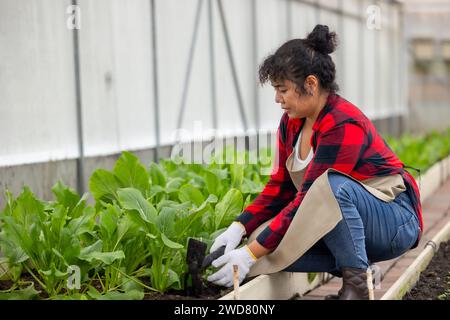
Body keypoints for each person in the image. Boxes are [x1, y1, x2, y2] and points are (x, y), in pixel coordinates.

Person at [206, 24, 423, 300]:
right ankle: (359, 267)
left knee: (331, 186)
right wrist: (240, 228)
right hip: (346, 220)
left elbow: (312, 197)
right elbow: (280, 187)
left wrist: (250, 254)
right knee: (261, 235)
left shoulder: (343, 122)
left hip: (394, 220)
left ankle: (356, 289)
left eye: (282, 89)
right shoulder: (291, 123)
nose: (277, 99)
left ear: (310, 84)